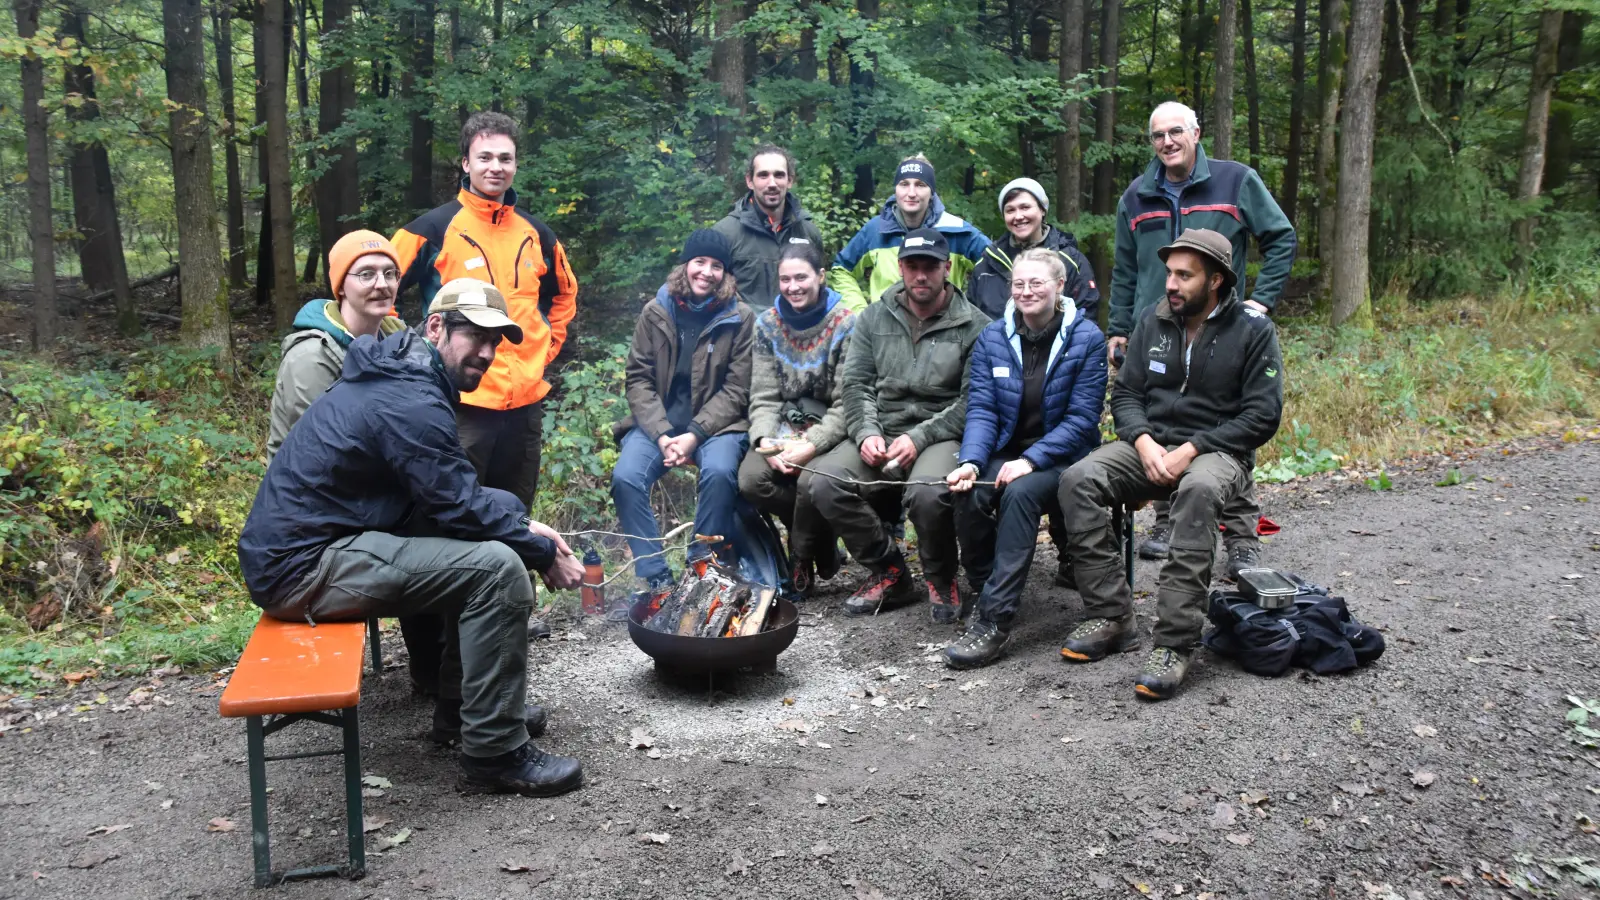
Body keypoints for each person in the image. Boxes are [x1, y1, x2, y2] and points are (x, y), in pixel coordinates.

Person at [237, 278, 588, 796]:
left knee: (498, 527)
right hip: (302, 566)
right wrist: (538, 550)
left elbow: (449, 494)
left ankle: (463, 711)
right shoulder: (409, 397)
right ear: (436, 326)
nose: (487, 353)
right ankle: (495, 753)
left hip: (327, 540)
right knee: (497, 570)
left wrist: (522, 523)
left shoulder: (405, 374)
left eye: (495, 342)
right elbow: (455, 504)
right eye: (476, 336)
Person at [1057, 230, 1283, 701]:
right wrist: (1142, 441)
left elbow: (1262, 415)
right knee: (1078, 478)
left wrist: (1193, 448)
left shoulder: (1252, 329)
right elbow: (1126, 393)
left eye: (1185, 275)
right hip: (1152, 444)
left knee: (1198, 491)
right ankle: (1112, 615)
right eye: (1169, 273)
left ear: (1216, 280)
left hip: (1218, 452)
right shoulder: (1153, 319)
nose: (1172, 284)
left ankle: (1174, 643)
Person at [393, 111, 578, 676]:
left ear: (515, 163)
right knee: (445, 527)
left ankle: (493, 658)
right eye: (486, 157)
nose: (496, 167)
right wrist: (416, 363)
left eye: (506, 158)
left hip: (523, 408)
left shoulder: (537, 233)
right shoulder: (431, 228)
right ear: (466, 162)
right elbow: (376, 293)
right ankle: (435, 669)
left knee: (512, 522)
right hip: (459, 408)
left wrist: (542, 352)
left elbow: (564, 296)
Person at [1107, 101, 1295, 579]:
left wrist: (1261, 302)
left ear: (1196, 133)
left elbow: (1280, 237)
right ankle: (1169, 521)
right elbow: (1126, 267)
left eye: (1176, 132)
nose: (1167, 142)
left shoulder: (1236, 181)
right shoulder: (1137, 195)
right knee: (1162, 414)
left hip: (1221, 325)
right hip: (1158, 326)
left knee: (1230, 424)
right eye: (1157, 135)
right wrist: (1119, 327)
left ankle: (1242, 537)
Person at [810, 228, 990, 623]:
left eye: (930, 267)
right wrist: (866, 432)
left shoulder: (975, 325)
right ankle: (889, 571)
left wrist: (920, 436)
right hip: (882, 425)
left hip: (940, 433)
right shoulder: (874, 317)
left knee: (928, 493)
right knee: (824, 481)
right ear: (901, 268)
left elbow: (973, 401)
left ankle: (941, 577)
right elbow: (856, 385)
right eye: (912, 266)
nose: (921, 275)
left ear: (947, 268)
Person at [943, 248, 1108, 668]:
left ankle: (994, 622)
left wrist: (1031, 461)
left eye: (1036, 283)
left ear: (1060, 286)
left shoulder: (1087, 338)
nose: (1026, 291)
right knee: (968, 491)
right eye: (1019, 284)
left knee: (1020, 493)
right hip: (1007, 449)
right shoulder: (993, 337)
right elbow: (982, 409)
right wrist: (971, 461)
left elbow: (1082, 420)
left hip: (1064, 455)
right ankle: (987, 585)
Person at [610, 229, 754, 597]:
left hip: (717, 426)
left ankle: (701, 566)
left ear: (726, 273)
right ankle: (657, 576)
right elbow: (638, 379)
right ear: (685, 265)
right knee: (626, 477)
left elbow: (737, 389)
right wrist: (661, 433)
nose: (707, 272)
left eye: (717, 266)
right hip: (658, 423)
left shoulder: (740, 317)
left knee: (720, 472)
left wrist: (694, 434)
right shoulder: (656, 312)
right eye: (699, 262)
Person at [737, 243, 855, 598]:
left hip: (830, 426)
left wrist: (812, 444)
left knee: (808, 481)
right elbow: (763, 396)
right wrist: (764, 440)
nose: (793, 287)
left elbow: (847, 402)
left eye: (801, 277)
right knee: (752, 480)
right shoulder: (767, 325)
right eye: (785, 279)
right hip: (783, 425)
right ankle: (822, 536)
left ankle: (801, 555)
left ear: (820, 276)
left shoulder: (846, 323)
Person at [266, 230, 407, 461]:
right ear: (341, 285)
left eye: (390, 273)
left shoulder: (401, 343)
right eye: (366, 274)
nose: (382, 284)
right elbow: (320, 449)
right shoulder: (312, 357)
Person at [829, 156, 991, 312]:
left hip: (944, 328)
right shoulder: (876, 230)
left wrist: (971, 312)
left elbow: (995, 266)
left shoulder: (956, 230)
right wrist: (860, 314)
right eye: (904, 184)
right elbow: (842, 269)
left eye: (920, 185)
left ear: (932, 192)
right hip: (885, 328)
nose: (911, 193)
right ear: (896, 189)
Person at [967, 178, 1099, 322]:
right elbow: (972, 320)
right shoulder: (987, 264)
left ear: (1042, 210)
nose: (1018, 216)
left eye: (1025, 207)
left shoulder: (1071, 260)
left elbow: (1086, 316)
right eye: (1010, 210)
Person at [712, 145, 826, 309]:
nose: (772, 183)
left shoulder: (808, 233)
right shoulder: (725, 233)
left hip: (800, 324)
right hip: (745, 325)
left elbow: (821, 292)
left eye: (779, 175)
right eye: (763, 175)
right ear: (750, 181)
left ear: (790, 180)